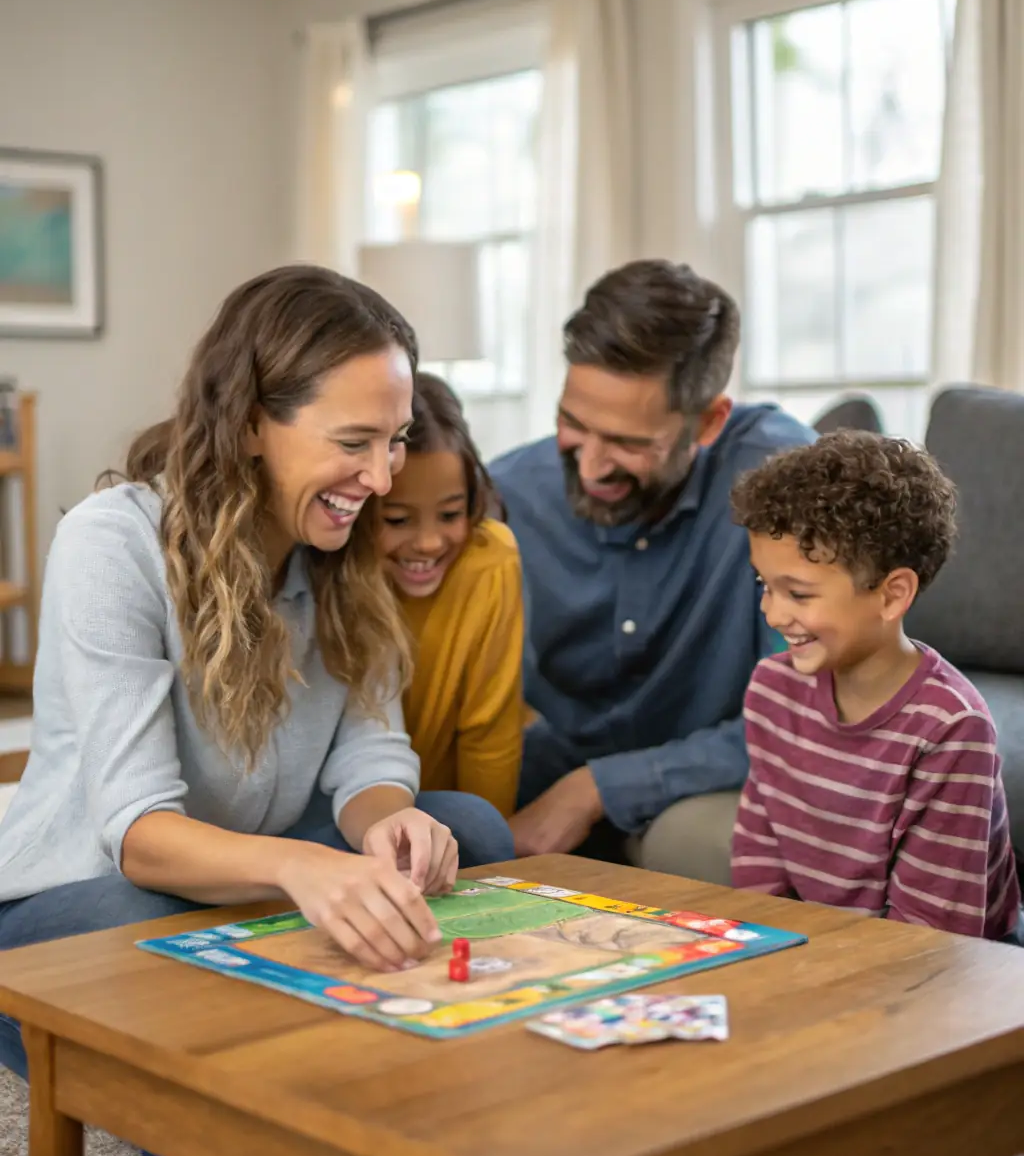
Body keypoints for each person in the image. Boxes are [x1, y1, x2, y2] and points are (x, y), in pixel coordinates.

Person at [0, 265, 516, 1084]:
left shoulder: (342, 546)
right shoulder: (113, 543)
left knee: (468, 828)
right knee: (150, 929)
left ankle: (284, 1007)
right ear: (248, 423)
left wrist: (386, 823)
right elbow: (138, 834)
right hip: (101, 884)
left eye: (395, 440)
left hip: (255, 871)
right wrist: (302, 868)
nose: (382, 480)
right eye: (354, 443)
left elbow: (370, 755)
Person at [489, 259, 813, 871]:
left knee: (693, 844)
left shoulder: (781, 481)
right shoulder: (506, 496)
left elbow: (809, 712)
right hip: (551, 759)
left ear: (711, 421)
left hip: (714, 780)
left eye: (631, 444)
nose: (589, 467)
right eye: (572, 424)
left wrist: (600, 788)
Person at [729, 430, 1021, 940]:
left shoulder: (950, 730)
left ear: (892, 596)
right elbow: (760, 867)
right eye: (764, 585)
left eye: (797, 594)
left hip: (954, 969)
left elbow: (931, 937)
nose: (771, 612)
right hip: (827, 954)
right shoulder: (771, 691)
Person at [379, 372, 523, 817]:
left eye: (450, 514)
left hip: (441, 811)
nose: (428, 542)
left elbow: (489, 731)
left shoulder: (489, 561)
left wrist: (489, 859)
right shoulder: (332, 569)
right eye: (398, 520)